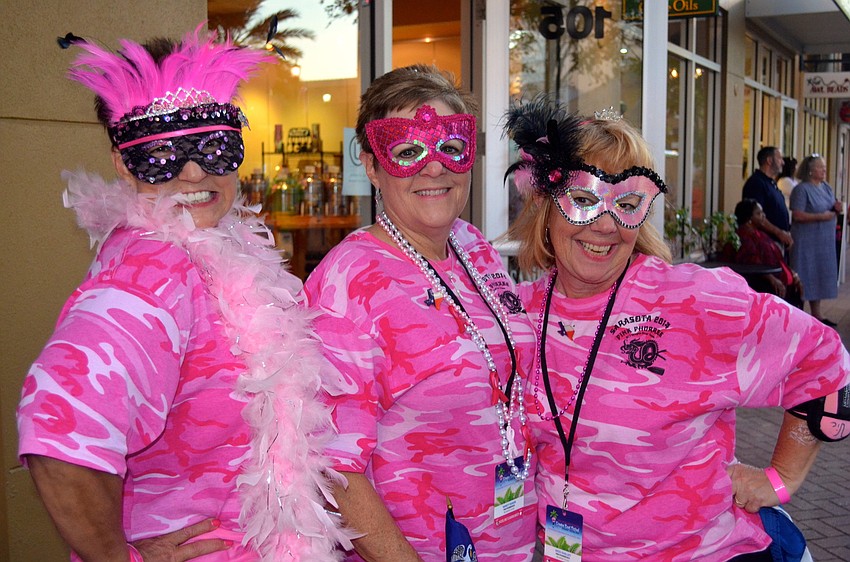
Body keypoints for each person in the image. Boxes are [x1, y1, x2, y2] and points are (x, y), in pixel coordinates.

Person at [16, 27, 350, 561]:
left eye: (214, 147)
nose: (194, 172)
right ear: (123, 163)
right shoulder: (153, 270)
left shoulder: (216, 252)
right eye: (162, 154)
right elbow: (57, 424)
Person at [504, 97, 850, 561]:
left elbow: (824, 356)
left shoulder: (691, 300)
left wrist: (781, 479)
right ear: (544, 203)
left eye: (627, 203)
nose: (605, 225)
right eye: (583, 200)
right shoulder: (517, 313)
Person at [303, 65, 537, 561]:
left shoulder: (473, 246)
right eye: (408, 152)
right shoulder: (349, 281)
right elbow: (332, 467)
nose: (435, 168)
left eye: (451, 147)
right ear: (372, 166)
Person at [789, 154, 844, 327]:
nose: (824, 170)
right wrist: (821, 217)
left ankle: (817, 314)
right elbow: (797, 215)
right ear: (811, 171)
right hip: (806, 240)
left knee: (818, 273)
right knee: (804, 273)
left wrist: (836, 207)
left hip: (823, 241)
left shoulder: (826, 187)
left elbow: (830, 206)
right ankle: (797, 314)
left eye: (824, 166)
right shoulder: (801, 190)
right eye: (820, 167)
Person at [730, 198, 803, 308]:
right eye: (758, 213)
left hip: (783, 284)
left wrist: (793, 275)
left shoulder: (760, 234)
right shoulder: (744, 237)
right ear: (749, 218)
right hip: (766, 288)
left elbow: (779, 259)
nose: (763, 216)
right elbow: (752, 264)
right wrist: (772, 279)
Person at [743, 146, 793, 250]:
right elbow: (756, 216)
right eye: (780, 158)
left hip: (777, 242)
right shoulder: (756, 183)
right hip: (764, 244)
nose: (783, 162)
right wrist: (779, 232)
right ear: (769, 160)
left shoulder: (771, 183)